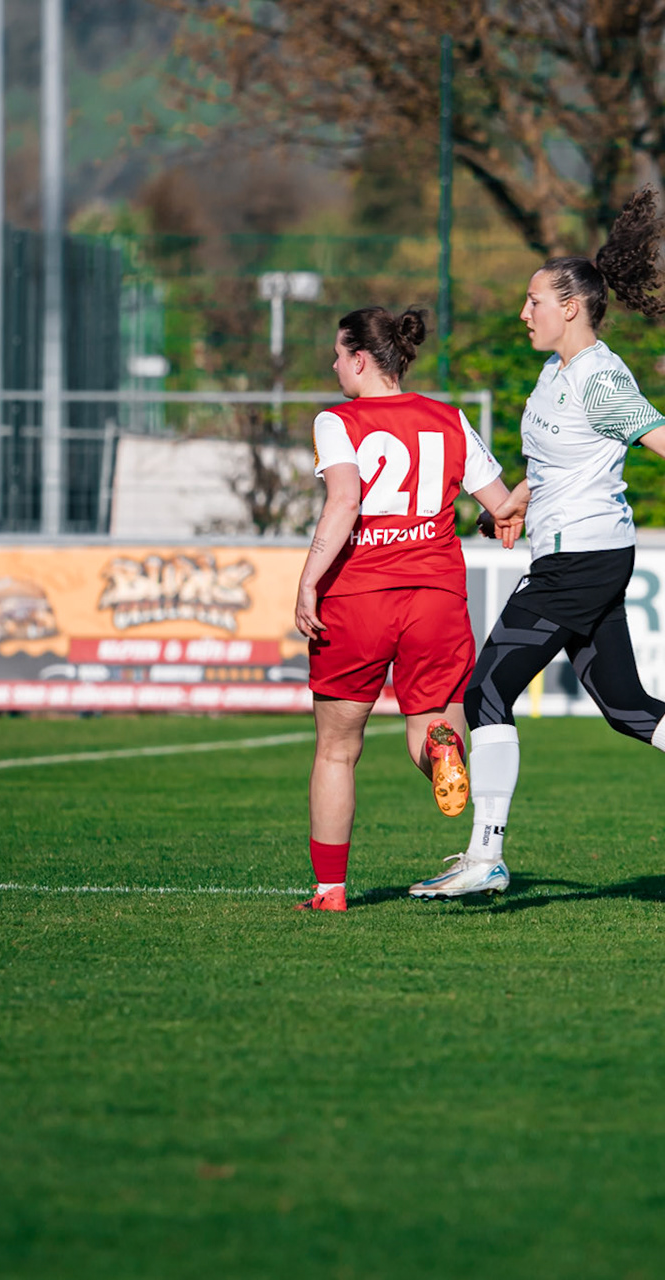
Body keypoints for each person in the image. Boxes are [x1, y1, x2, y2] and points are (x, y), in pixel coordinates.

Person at [409, 190, 665, 901]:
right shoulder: (553, 376)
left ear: (571, 307)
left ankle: (485, 856)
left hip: (580, 559)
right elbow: (557, 468)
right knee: (624, 705)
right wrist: (513, 507)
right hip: (576, 552)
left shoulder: (600, 378)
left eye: (533, 300)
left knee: (486, 690)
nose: (522, 312)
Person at [293, 305, 520, 912]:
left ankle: (330, 891)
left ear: (361, 359)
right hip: (436, 597)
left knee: (338, 750)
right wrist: (493, 516)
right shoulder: (448, 418)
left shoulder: (339, 420)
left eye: (339, 355)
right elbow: (502, 506)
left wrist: (309, 579)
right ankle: (444, 751)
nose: (335, 365)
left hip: (358, 598)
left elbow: (344, 502)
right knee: (428, 727)